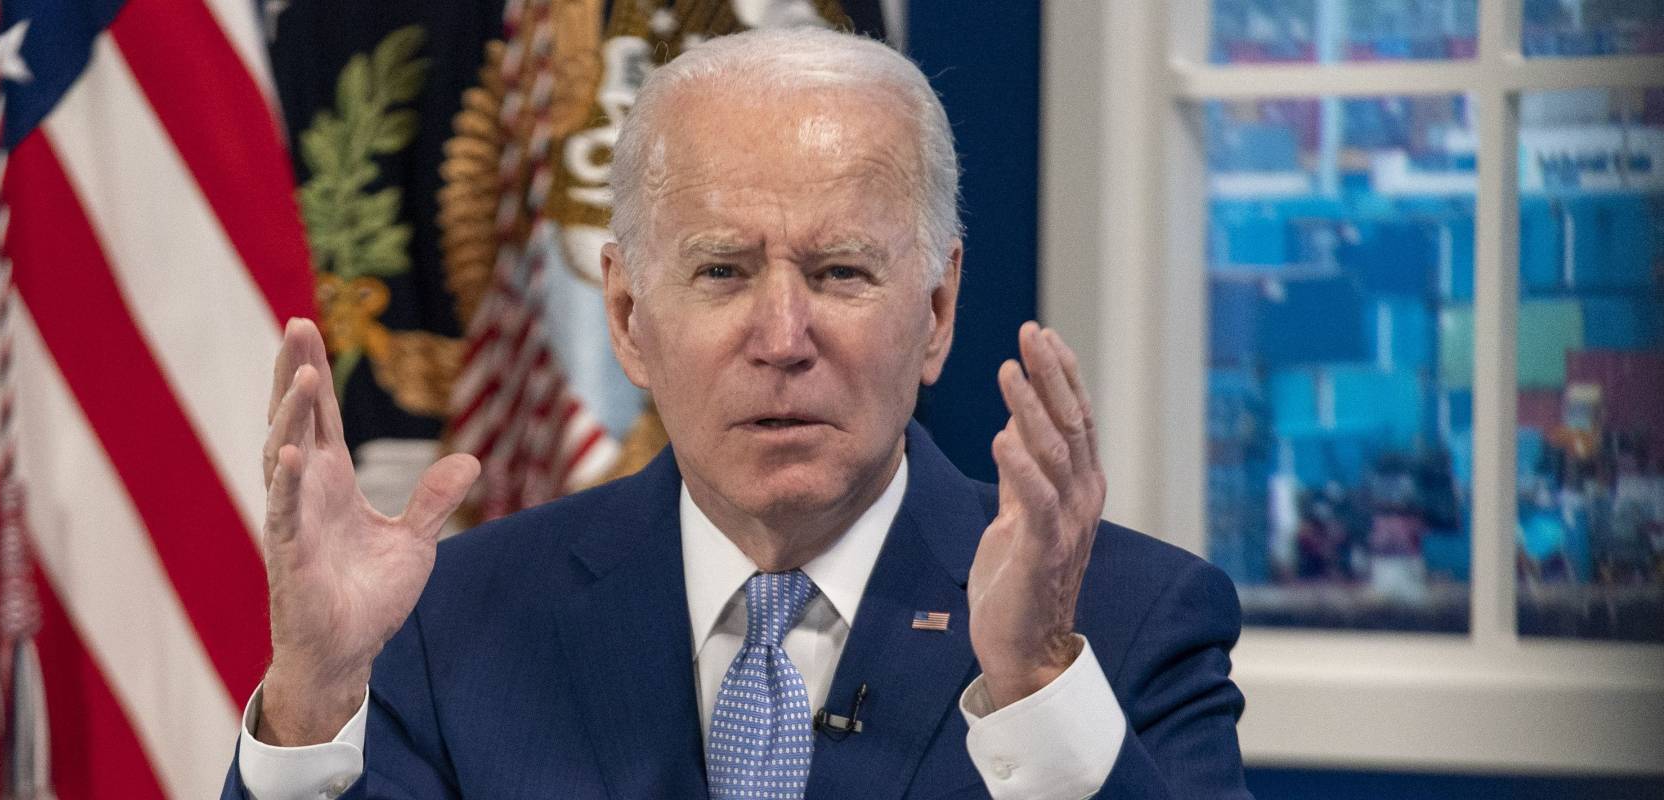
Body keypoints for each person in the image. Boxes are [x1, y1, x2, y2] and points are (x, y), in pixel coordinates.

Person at [226, 27, 1248, 799]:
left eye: (841, 270)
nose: (783, 334)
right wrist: (314, 693)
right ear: (627, 316)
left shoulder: (1126, 621)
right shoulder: (453, 623)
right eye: (722, 270)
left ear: (935, 311)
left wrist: (1032, 681)